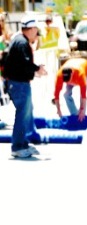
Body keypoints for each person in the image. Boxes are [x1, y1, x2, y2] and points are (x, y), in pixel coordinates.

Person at [4, 15, 48, 158]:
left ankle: (22, 143)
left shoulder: (18, 40)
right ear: (32, 29)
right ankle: (17, 146)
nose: (37, 35)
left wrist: (35, 70)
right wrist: (37, 69)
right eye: (36, 31)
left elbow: (20, 64)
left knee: (25, 114)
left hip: (17, 83)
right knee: (22, 114)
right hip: (19, 84)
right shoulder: (22, 43)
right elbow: (25, 63)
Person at [53, 57, 87, 122]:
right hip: (72, 65)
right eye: (66, 81)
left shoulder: (80, 74)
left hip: (86, 67)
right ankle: (75, 114)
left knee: (82, 97)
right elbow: (56, 95)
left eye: (69, 80)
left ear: (72, 73)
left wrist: (82, 110)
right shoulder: (59, 76)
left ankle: (81, 115)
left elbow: (83, 95)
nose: (68, 83)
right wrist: (58, 110)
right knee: (66, 94)